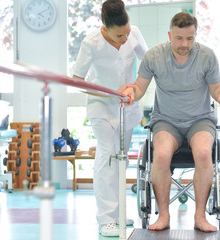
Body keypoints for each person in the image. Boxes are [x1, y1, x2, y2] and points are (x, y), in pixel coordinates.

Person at [119, 12, 220, 232]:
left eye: (190, 38)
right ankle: (164, 216)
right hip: (166, 121)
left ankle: (200, 217)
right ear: (170, 35)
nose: (184, 44)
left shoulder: (207, 56)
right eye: (179, 38)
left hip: (200, 120)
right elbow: (139, 87)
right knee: (160, 154)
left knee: (204, 153)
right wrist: (131, 91)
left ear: (195, 36)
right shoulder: (154, 56)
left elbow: (216, 88)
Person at [72, 0, 148, 237]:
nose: (124, 39)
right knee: (107, 155)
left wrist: (135, 88)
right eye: (118, 35)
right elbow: (77, 80)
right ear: (105, 29)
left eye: (126, 33)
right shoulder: (91, 42)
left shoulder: (133, 33)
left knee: (121, 158)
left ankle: (117, 212)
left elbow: (147, 63)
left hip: (127, 105)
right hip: (101, 105)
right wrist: (108, 92)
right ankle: (106, 218)